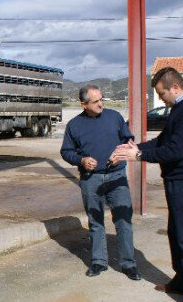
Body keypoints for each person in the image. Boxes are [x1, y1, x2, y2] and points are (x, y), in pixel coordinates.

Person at [112, 67, 183, 302]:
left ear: (175, 88)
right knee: (176, 232)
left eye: (162, 93)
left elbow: (175, 150)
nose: (161, 98)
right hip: (178, 180)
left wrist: (140, 155)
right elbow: (164, 141)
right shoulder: (180, 109)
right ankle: (181, 280)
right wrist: (136, 147)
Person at [60, 85, 141, 281]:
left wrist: (120, 154)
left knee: (123, 220)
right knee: (96, 222)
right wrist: (81, 161)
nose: (101, 104)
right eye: (96, 101)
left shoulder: (114, 117)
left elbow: (128, 139)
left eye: (102, 99)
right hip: (91, 179)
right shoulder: (74, 125)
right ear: (84, 104)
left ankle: (128, 264)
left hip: (116, 176)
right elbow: (66, 151)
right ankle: (98, 261)